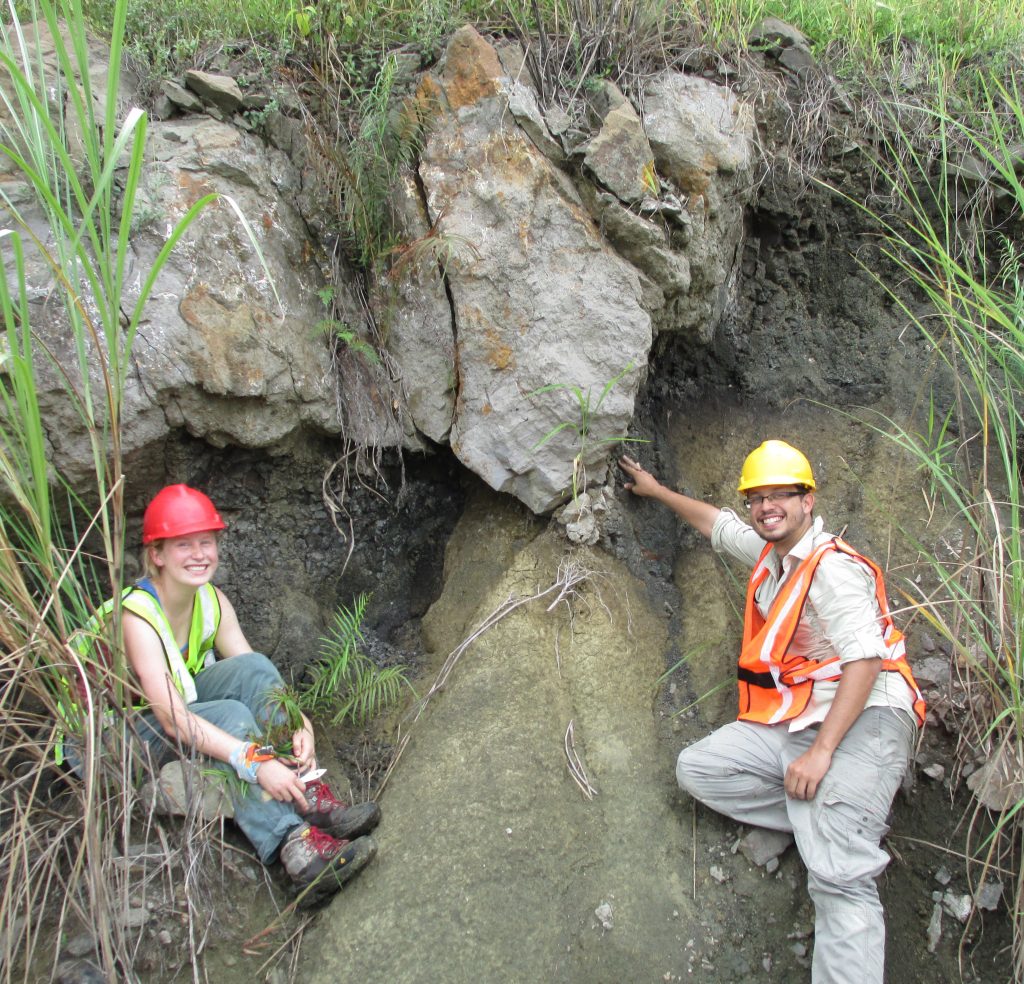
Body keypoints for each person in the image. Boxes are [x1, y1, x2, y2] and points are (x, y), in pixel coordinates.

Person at [619, 440, 925, 984]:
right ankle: (829, 816)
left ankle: (841, 830)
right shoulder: (772, 553)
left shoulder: (832, 568)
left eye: (782, 494)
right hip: (801, 716)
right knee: (700, 770)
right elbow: (716, 524)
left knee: (838, 872)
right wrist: (656, 491)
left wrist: (824, 752)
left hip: (868, 715)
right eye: (758, 497)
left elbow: (865, 661)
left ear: (809, 499)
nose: (767, 506)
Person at [83, 483, 380, 904]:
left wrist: (301, 724)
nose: (199, 553)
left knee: (255, 669)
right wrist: (256, 763)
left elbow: (256, 674)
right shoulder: (136, 616)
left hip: (167, 708)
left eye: (206, 541)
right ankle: (295, 848)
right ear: (157, 555)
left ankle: (308, 795)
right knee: (230, 716)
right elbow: (171, 718)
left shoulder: (212, 601)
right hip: (108, 739)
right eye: (183, 545)